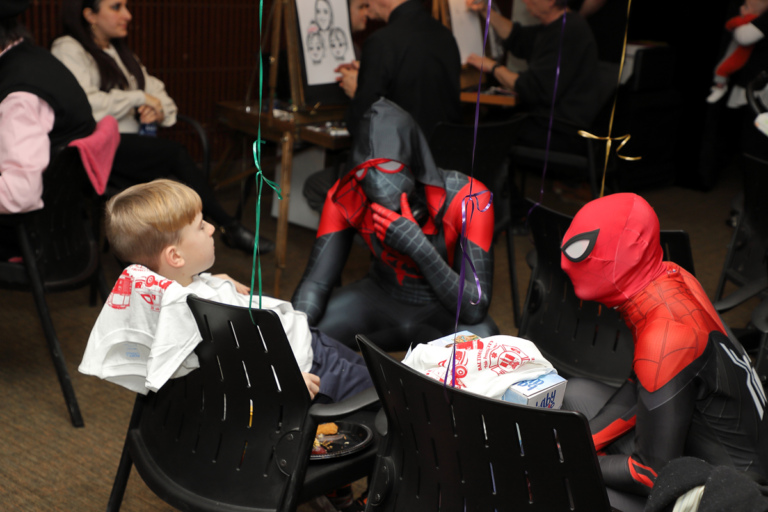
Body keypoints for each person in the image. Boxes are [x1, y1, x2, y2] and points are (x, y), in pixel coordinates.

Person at [81, 179, 373, 408]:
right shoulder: (211, 317)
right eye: (200, 225)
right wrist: (282, 381)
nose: (211, 228)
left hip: (304, 345)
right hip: (313, 369)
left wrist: (206, 280)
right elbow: (234, 370)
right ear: (176, 257)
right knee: (391, 395)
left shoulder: (156, 295)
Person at [559, 193, 768, 512]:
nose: (566, 261)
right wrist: (582, 441)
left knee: (566, 486)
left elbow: (651, 474)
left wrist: (569, 456)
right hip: (699, 448)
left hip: (727, 493)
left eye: (581, 249)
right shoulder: (669, 276)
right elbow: (640, 386)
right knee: (577, 393)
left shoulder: (668, 332)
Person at [50, 0, 272, 255]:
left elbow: (159, 94)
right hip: (98, 149)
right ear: (89, 14)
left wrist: (155, 108)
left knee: (176, 175)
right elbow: (85, 103)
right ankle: (227, 226)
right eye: (116, 7)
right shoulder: (67, 48)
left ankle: (178, 252)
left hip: (133, 149)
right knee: (175, 155)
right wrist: (139, 99)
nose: (128, 15)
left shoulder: (119, 52)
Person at [292, 99, 497, 350]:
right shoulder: (347, 195)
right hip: (379, 296)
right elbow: (316, 283)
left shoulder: (469, 199)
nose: (378, 179)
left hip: (444, 309)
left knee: (484, 345)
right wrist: (296, 330)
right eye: (367, 170)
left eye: (389, 166)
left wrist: (419, 248)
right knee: (303, 338)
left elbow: (475, 309)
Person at [0, 0, 97, 259]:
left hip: (30, 229)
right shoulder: (32, 56)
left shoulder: (19, 96)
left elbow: (19, 193)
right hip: (66, 213)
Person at [465, 0, 600, 152]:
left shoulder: (568, 32)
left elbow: (531, 87)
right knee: (493, 118)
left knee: (489, 130)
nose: (525, 1)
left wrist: (493, 67)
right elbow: (519, 37)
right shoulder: (561, 25)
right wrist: (485, 10)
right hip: (553, 122)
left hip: (561, 131)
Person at [707, 0, 768, 104]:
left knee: (722, 69)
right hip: (742, 56)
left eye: (746, 7)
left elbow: (738, 32)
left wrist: (732, 25)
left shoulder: (748, 19)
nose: (741, 8)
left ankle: (720, 87)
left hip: (742, 56)